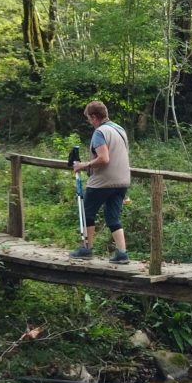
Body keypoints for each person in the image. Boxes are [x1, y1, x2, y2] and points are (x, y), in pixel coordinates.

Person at [70, 101, 131, 263]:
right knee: (113, 216)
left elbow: (104, 158)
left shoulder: (100, 132)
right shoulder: (119, 129)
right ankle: (122, 253)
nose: (89, 122)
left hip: (103, 181)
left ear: (94, 117)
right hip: (122, 181)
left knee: (87, 212)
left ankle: (87, 248)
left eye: (89, 118)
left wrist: (85, 165)